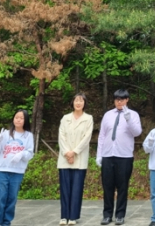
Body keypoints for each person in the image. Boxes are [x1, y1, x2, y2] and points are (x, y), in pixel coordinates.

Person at [97, 89, 142, 226]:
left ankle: (120, 215)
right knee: (107, 187)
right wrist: (99, 155)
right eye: (117, 99)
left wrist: (129, 119)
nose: (119, 102)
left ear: (127, 100)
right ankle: (107, 215)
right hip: (108, 155)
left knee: (122, 187)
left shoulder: (133, 114)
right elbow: (102, 135)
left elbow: (137, 132)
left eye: (122, 99)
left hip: (124, 156)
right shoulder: (108, 115)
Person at [0, 109, 34, 226]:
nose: (18, 120)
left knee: (11, 199)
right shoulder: (5, 134)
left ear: (25, 120)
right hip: (2, 170)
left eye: (21, 118)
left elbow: (30, 154)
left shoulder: (28, 136)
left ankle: (6, 222)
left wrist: (21, 154)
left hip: (17, 172)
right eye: (16, 117)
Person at [57, 93, 94, 226]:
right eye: (76, 100)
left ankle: (73, 217)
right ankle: (64, 216)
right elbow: (61, 137)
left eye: (81, 101)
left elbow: (86, 138)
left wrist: (74, 152)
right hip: (64, 159)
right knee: (65, 189)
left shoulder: (88, 118)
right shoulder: (65, 118)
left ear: (85, 103)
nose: (78, 103)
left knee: (77, 189)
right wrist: (67, 153)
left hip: (79, 159)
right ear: (72, 102)